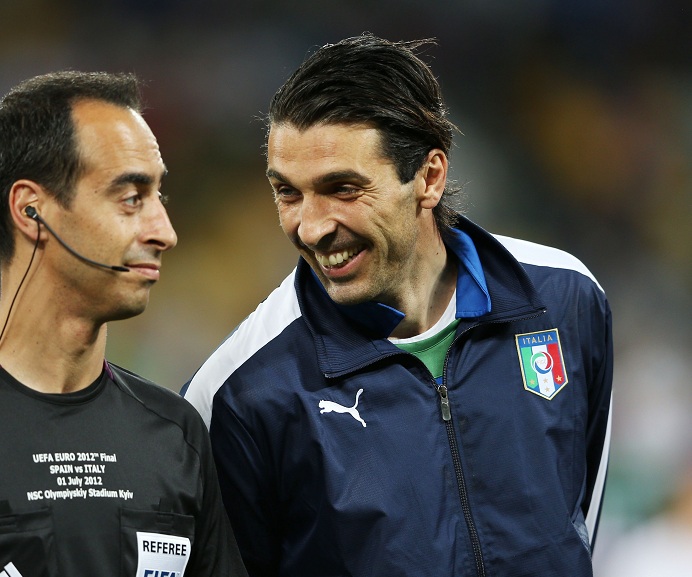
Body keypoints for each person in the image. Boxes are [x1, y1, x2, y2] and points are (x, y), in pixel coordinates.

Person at [183, 33, 613, 577]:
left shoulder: (565, 298)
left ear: (429, 177)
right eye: (287, 193)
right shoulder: (238, 391)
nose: (310, 228)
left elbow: (575, 527)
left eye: (343, 189)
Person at [0, 71, 247, 577]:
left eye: (160, 198)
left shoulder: (176, 432)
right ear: (31, 209)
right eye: (131, 198)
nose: (165, 233)